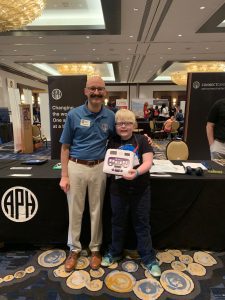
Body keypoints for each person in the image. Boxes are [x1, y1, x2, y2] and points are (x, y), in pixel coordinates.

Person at [59, 76, 115, 272]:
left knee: (96, 210)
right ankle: (74, 249)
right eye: (93, 89)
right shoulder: (73, 115)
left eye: (100, 89)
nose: (96, 92)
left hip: (100, 168)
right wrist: (64, 175)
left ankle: (95, 249)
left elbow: (121, 138)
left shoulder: (111, 116)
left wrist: (144, 141)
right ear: (85, 91)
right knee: (75, 211)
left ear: (105, 92)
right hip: (76, 167)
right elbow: (65, 147)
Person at [101, 109, 161, 278]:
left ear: (133, 125)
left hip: (140, 190)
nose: (123, 126)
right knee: (117, 223)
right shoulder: (111, 141)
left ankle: (149, 258)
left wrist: (136, 173)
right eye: (120, 123)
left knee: (142, 224)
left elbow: (148, 162)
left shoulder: (142, 140)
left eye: (127, 123)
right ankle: (114, 252)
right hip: (118, 190)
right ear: (116, 126)